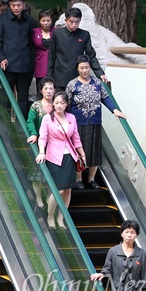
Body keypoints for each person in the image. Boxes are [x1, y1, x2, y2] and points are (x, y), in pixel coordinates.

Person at [66, 55, 126, 189]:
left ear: (90, 68)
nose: (84, 70)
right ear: (77, 69)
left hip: (95, 122)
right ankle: (78, 179)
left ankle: (92, 179)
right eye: (81, 68)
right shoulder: (72, 84)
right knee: (79, 150)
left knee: (94, 150)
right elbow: (67, 103)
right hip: (78, 123)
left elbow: (105, 98)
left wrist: (114, 110)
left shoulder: (97, 83)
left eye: (86, 67)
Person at [36, 91, 85, 229]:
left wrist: (82, 154)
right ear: (53, 104)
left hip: (69, 156)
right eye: (56, 103)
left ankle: (61, 217)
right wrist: (41, 152)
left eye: (62, 103)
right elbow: (43, 137)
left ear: (66, 104)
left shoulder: (71, 117)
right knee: (58, 190)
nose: (59, 106)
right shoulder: (47, 118)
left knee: (68, 189)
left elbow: (75, 137)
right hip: (54, 157)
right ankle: (50, 215)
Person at [90, 220, 146, 291]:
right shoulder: (113, 251)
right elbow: (107, 269)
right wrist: (101, 274)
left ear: (137, 235)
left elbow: (144, 276)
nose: (129, 235)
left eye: (132, 232)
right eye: (126, 232)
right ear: (122, 234)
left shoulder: (141, 253)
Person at [0, 0, 36, 117]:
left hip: (25, 65)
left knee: (23, 99)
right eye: (13, 5)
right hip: (7, 65)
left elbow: (31, 42)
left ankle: (22, 129)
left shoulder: (30, 21)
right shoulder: (1, 19)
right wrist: (1, 58)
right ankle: (5, 126)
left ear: (24, 5)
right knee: (6, 98)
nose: (16, 8)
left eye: (18, 5)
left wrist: (31, 61)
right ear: (9, 5)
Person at [47, 7, 107, 91]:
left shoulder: (84, 34)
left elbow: (91, 54)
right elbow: (51, 56)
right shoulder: (57, 33)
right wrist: (49, 76)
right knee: (60, 102)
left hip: (77, 76)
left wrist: (100, 73)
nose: (74, 25)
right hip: (59, 77)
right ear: (66, 20)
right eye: (71, 21)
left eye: (77, 22)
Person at [26, 77, 56, 207]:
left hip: (55, 144)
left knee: (53, 174)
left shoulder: (58, 104)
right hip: (40, 143)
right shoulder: (36, 105)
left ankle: (51, 199)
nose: (49, 91)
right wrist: (34, 134)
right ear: (41, 91)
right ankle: (38, 198)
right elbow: (30, 121)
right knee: (37, 172)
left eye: (51, 88)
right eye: (46, 89)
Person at [32, 10, 54, 94]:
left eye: (48, 21)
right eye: (43, 21)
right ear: (39, 21)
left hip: (53, 64)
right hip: (39, 63)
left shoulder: (56, 32)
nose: (46, 23)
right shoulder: (34, 32)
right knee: (41, 88)